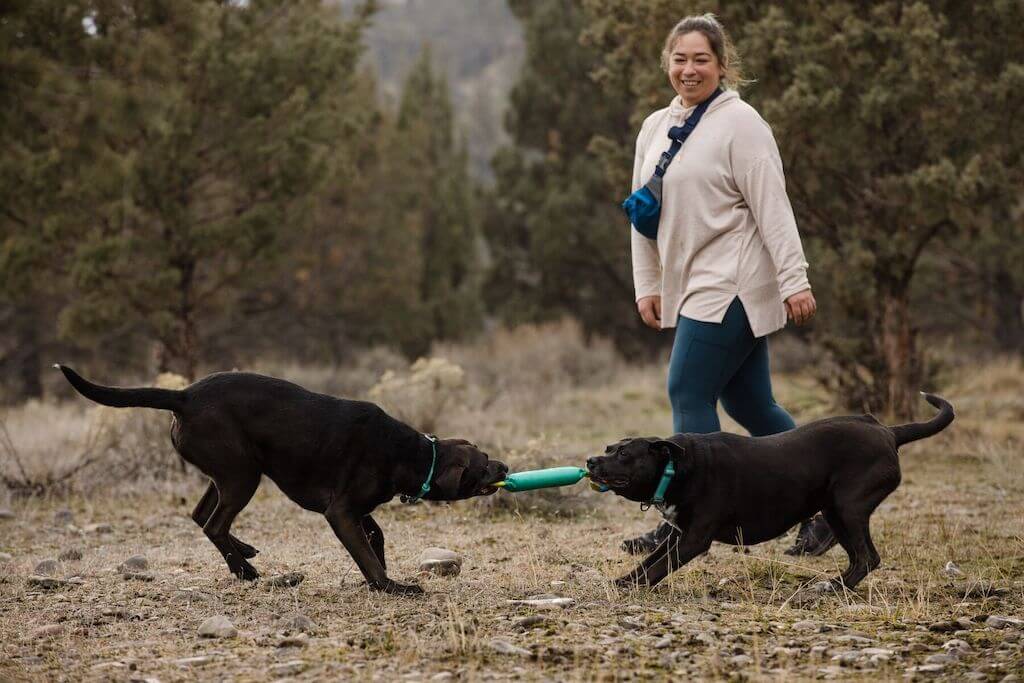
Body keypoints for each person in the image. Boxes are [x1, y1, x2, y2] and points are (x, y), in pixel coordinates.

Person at [622, 14, 834, 557]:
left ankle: (687, 522)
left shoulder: (743, 124)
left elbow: (773, 207)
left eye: (701, 59)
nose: (689, 69)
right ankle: (825, 507)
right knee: (753, 405)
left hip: (734, 281)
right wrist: (648, 283)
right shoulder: (655, 127)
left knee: (687, 391)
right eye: (680, 58)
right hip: (690, 281)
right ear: (667, 63)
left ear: (721, 65)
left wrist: (794, 278)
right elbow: (643, 213)